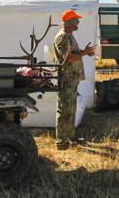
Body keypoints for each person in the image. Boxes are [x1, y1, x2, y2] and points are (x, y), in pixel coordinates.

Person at [53, 10, 96, 150]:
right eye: (76, 20)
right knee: (64, 109)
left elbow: (73, 55)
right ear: (70, 22)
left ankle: (69, 137)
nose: (78, 22)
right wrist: (84, 52)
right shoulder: (63, 37)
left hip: (72, 78)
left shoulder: (69, 36)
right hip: (66, 78)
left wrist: (86, 51)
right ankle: (61, 141)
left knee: (71, 109)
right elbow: (68, 58)